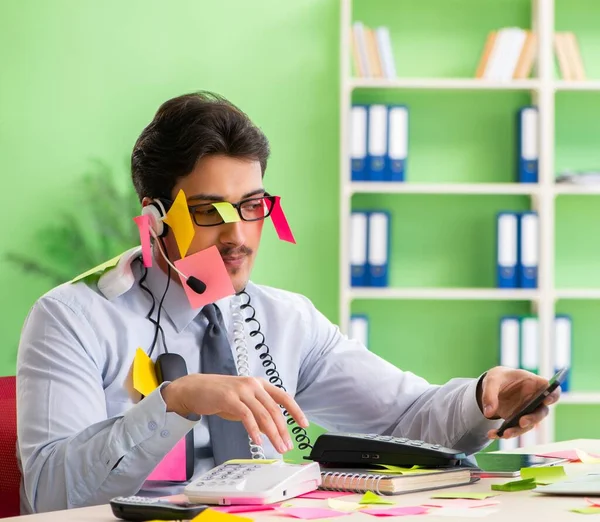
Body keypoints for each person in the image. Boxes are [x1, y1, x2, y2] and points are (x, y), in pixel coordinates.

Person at [16, 91, 560, 514]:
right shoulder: (73, 318)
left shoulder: (284, 319)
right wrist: (175, 401)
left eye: (252, 206)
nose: (238, 236)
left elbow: (405, 417)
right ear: (155, 219)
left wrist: (481, 399)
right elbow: (49, 495)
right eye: (210, 212)